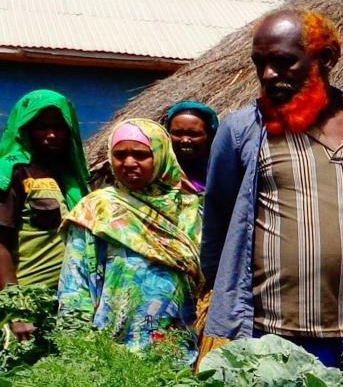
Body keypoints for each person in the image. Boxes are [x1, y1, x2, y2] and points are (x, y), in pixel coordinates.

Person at [199, 8, 343, 367]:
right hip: (270, 336)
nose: (267, 75)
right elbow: (218, 223)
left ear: (325, 58)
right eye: (259, 63)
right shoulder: (243, 131)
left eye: (282, 62)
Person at [57, 119, 203, 358]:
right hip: (109, 345)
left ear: (160, 156)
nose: (128, 163)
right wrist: (75, 345)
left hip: (175, 345)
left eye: (140, 154)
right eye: (120, 154)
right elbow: (75, 280)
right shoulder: (99, 208)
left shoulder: (188, 209)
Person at [0, 90, 89, 340]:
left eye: (59, 127)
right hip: (27, 306)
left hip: (68, 303)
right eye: (41, 127)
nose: (51, 135)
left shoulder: (74, 178)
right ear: (24, 129)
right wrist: (17, 310)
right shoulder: (13, 173)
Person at [164, 101, 219, 193]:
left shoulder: (223, 173)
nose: (185, 140)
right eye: (178, 133)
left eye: (193, 134)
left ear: (210, 136)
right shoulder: (159, 175)